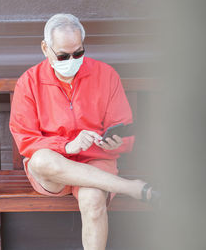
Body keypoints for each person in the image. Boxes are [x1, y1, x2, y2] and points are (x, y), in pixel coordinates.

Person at [9, 13, 158, 250]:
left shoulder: (106, 75)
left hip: (96, 161)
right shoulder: (28, 82)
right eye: (63, 55)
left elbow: (124, 130)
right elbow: (26, 140)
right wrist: (66, 146)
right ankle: (131, 187)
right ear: (45, 48)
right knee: (39, 160)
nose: (72, 59)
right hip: (54, 168)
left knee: (94, 202)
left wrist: (114, 143)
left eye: (78, 52)